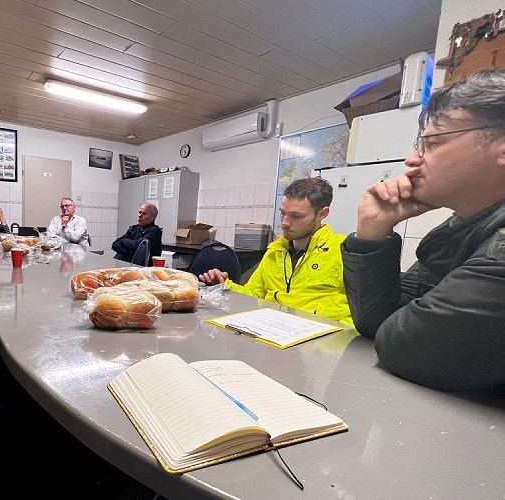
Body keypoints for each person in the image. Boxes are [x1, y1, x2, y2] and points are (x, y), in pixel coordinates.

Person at [341, 69, 505, 392]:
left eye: (432, 143)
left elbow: (402, 344)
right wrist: (373, 231)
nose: (412, 160)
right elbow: (378, 321)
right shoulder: (460, 228)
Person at [199, 177, 353, 326]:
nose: (284, 223)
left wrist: (336, 340)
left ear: (322, 214)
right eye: (283, 213)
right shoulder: (275, 250)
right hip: (271, 330)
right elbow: (253, 295)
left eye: (296, 216)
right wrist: (224, 285)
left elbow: (359, 314)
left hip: (318, 337)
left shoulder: (345, 251)